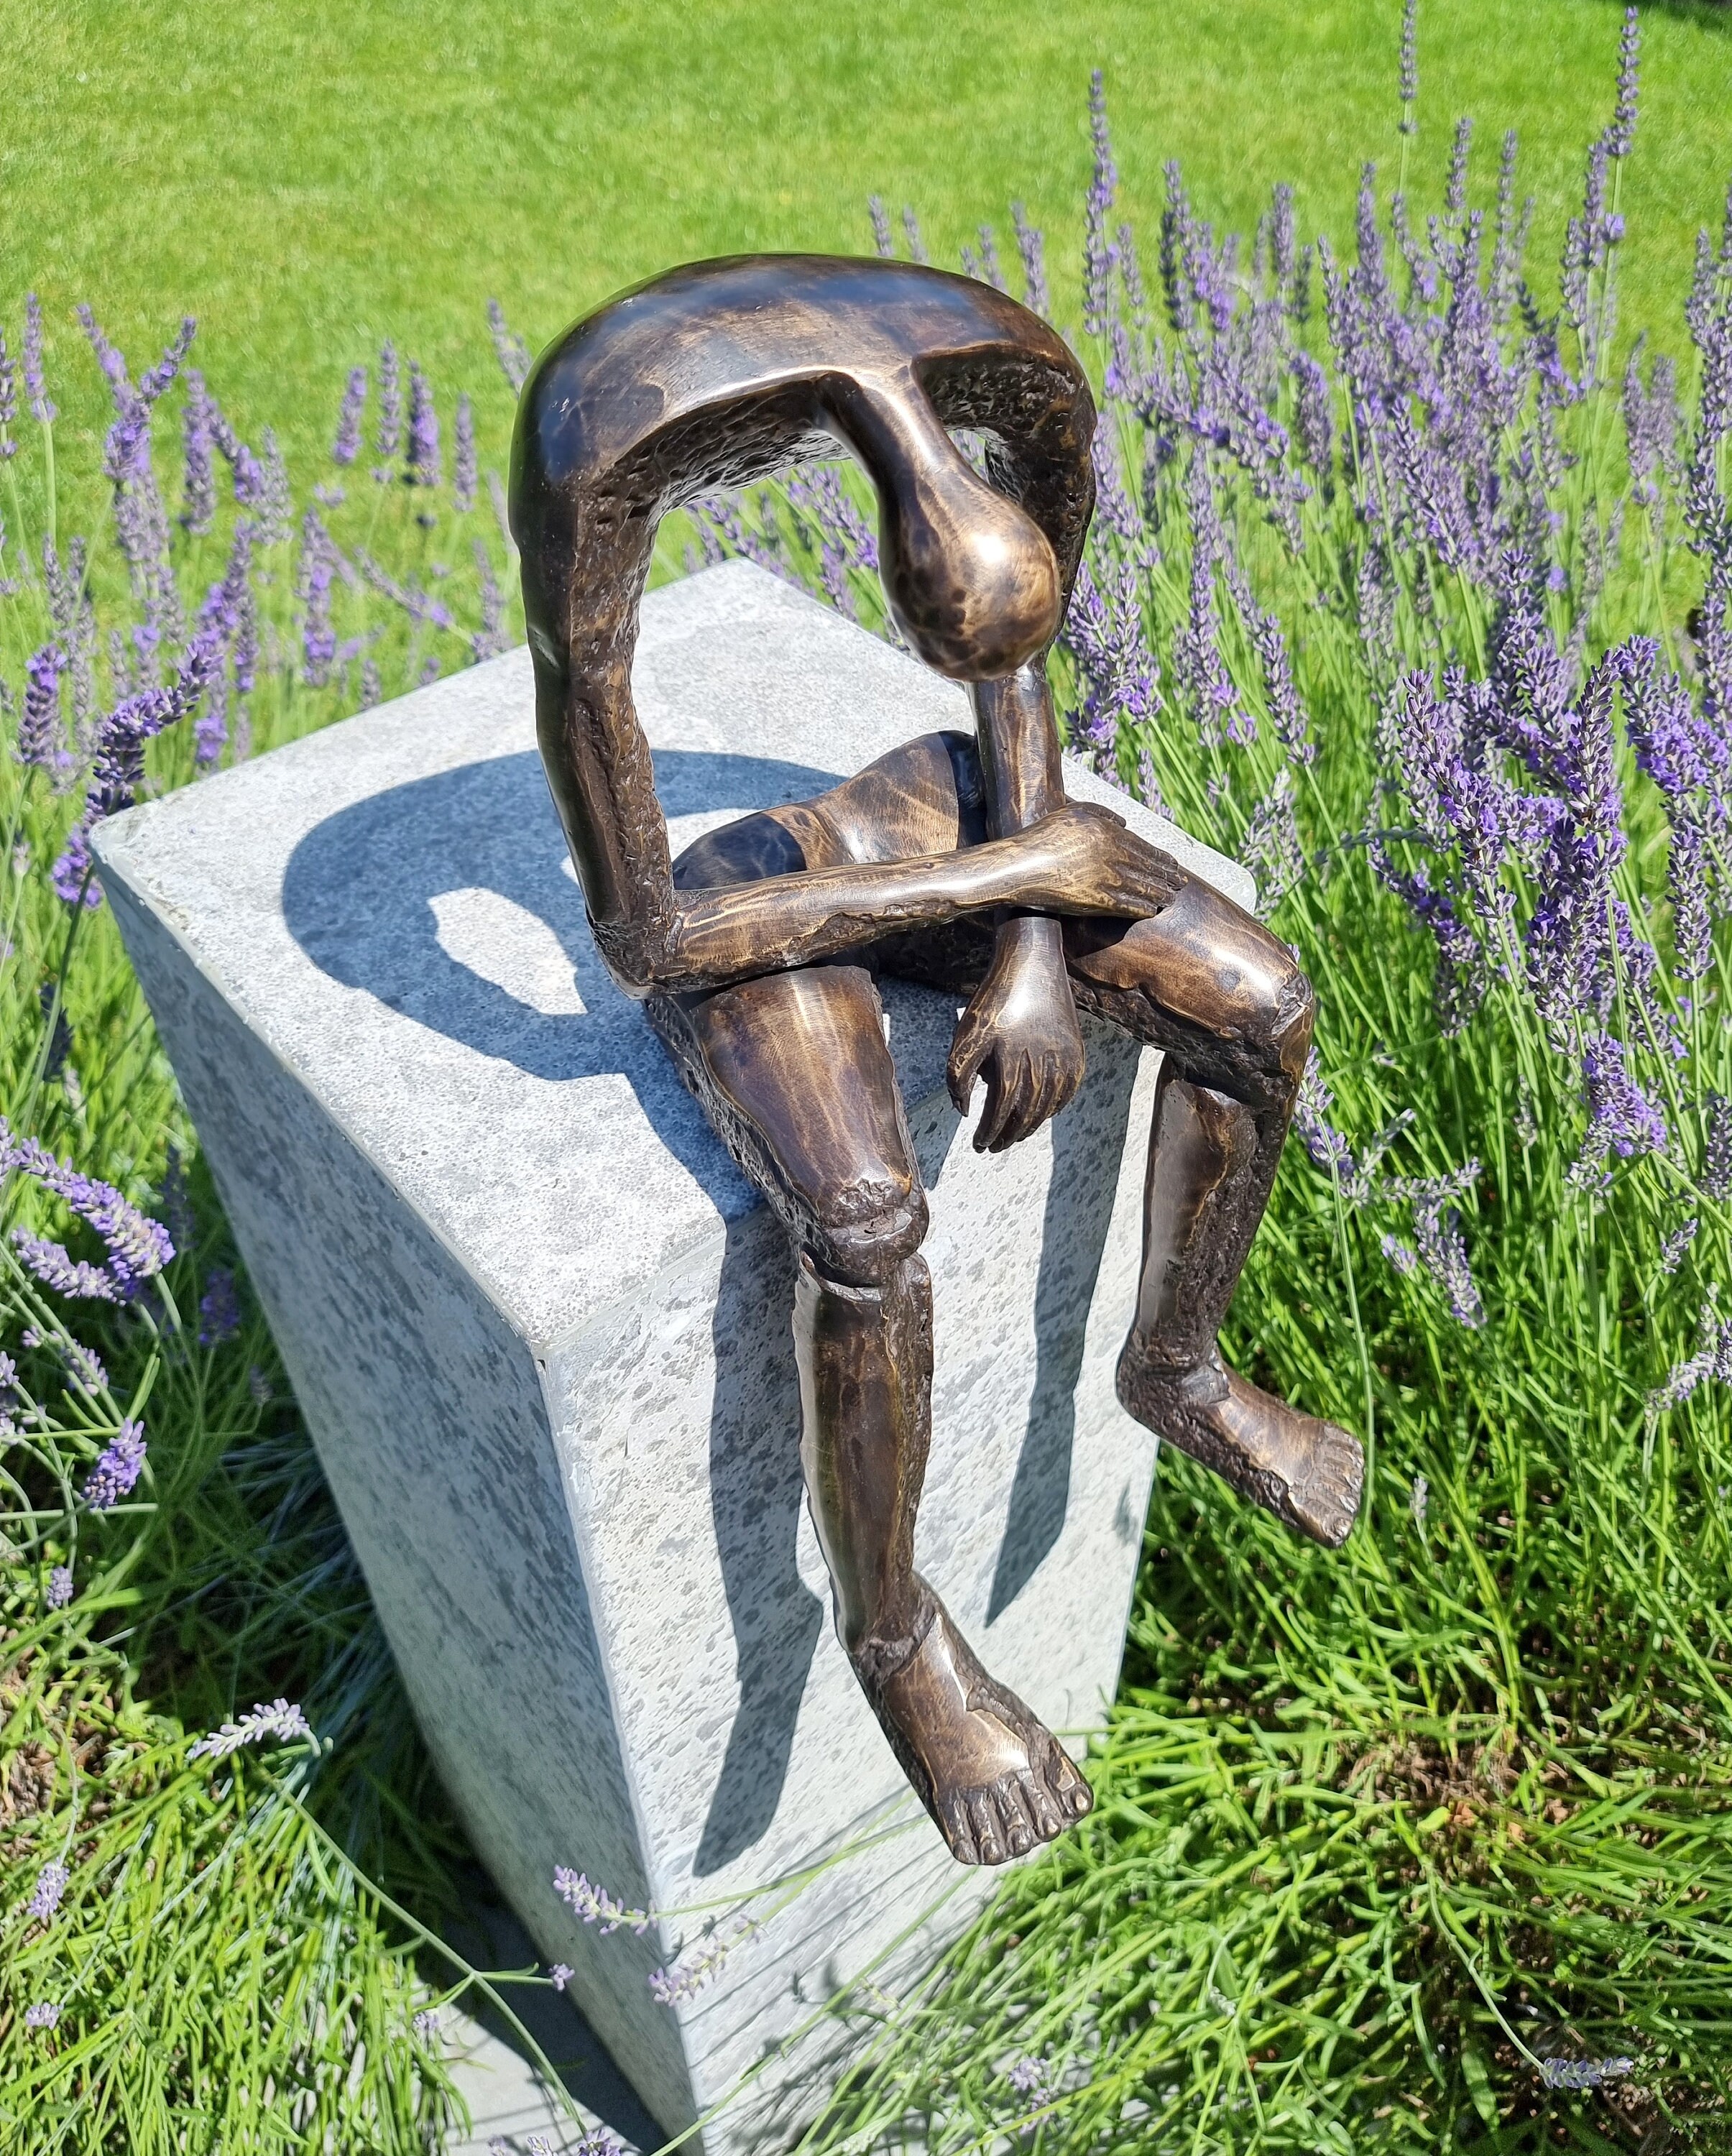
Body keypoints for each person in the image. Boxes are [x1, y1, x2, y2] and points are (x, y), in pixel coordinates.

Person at [512, 254, 1362, 1868]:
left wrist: (1034, 952)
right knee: (863, 1227)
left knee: (1258, 1005)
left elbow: (1012, 681)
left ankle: (1172, 1368)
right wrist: (1029, 876)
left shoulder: (1015, 371)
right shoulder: (600, 445)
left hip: (928, 827)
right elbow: (648, 946)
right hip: (731, 890)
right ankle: (893, 1634)